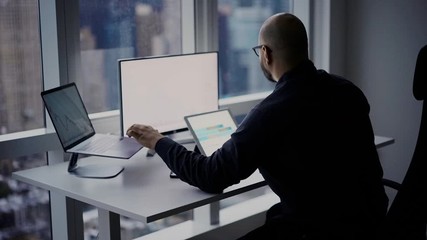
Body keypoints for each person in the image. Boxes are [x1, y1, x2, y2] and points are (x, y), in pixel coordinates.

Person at [127, 13, 388, 240]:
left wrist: (157, 140)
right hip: (369, 225)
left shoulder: (271, 112)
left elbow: (211, 176)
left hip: (315, 232)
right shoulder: (347, 91)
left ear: (265, 53)